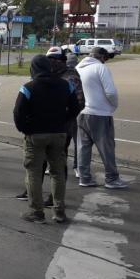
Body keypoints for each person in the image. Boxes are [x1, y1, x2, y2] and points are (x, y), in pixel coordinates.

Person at [14, 55, 81, 223]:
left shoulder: (29, 87)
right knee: (58, 172)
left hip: (36, 134)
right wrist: (64, 122)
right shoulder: (66, 85)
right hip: (59, 134)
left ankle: (37, 212)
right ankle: (59, 211)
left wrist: (26, 129)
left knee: (34, 172)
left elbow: (18, 113)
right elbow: (75, 107)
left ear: (33, 69)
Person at [76, 47, 128, 189]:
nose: (106, 61)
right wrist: (113, 106)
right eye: (106, 58)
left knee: (83, 147)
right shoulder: (100, 68)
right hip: (100, 113)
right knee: (107, 148)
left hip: (81, 113)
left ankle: (84, 177)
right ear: (102, 57)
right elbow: (110, 92)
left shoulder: (78, 67)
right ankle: (112, 179)